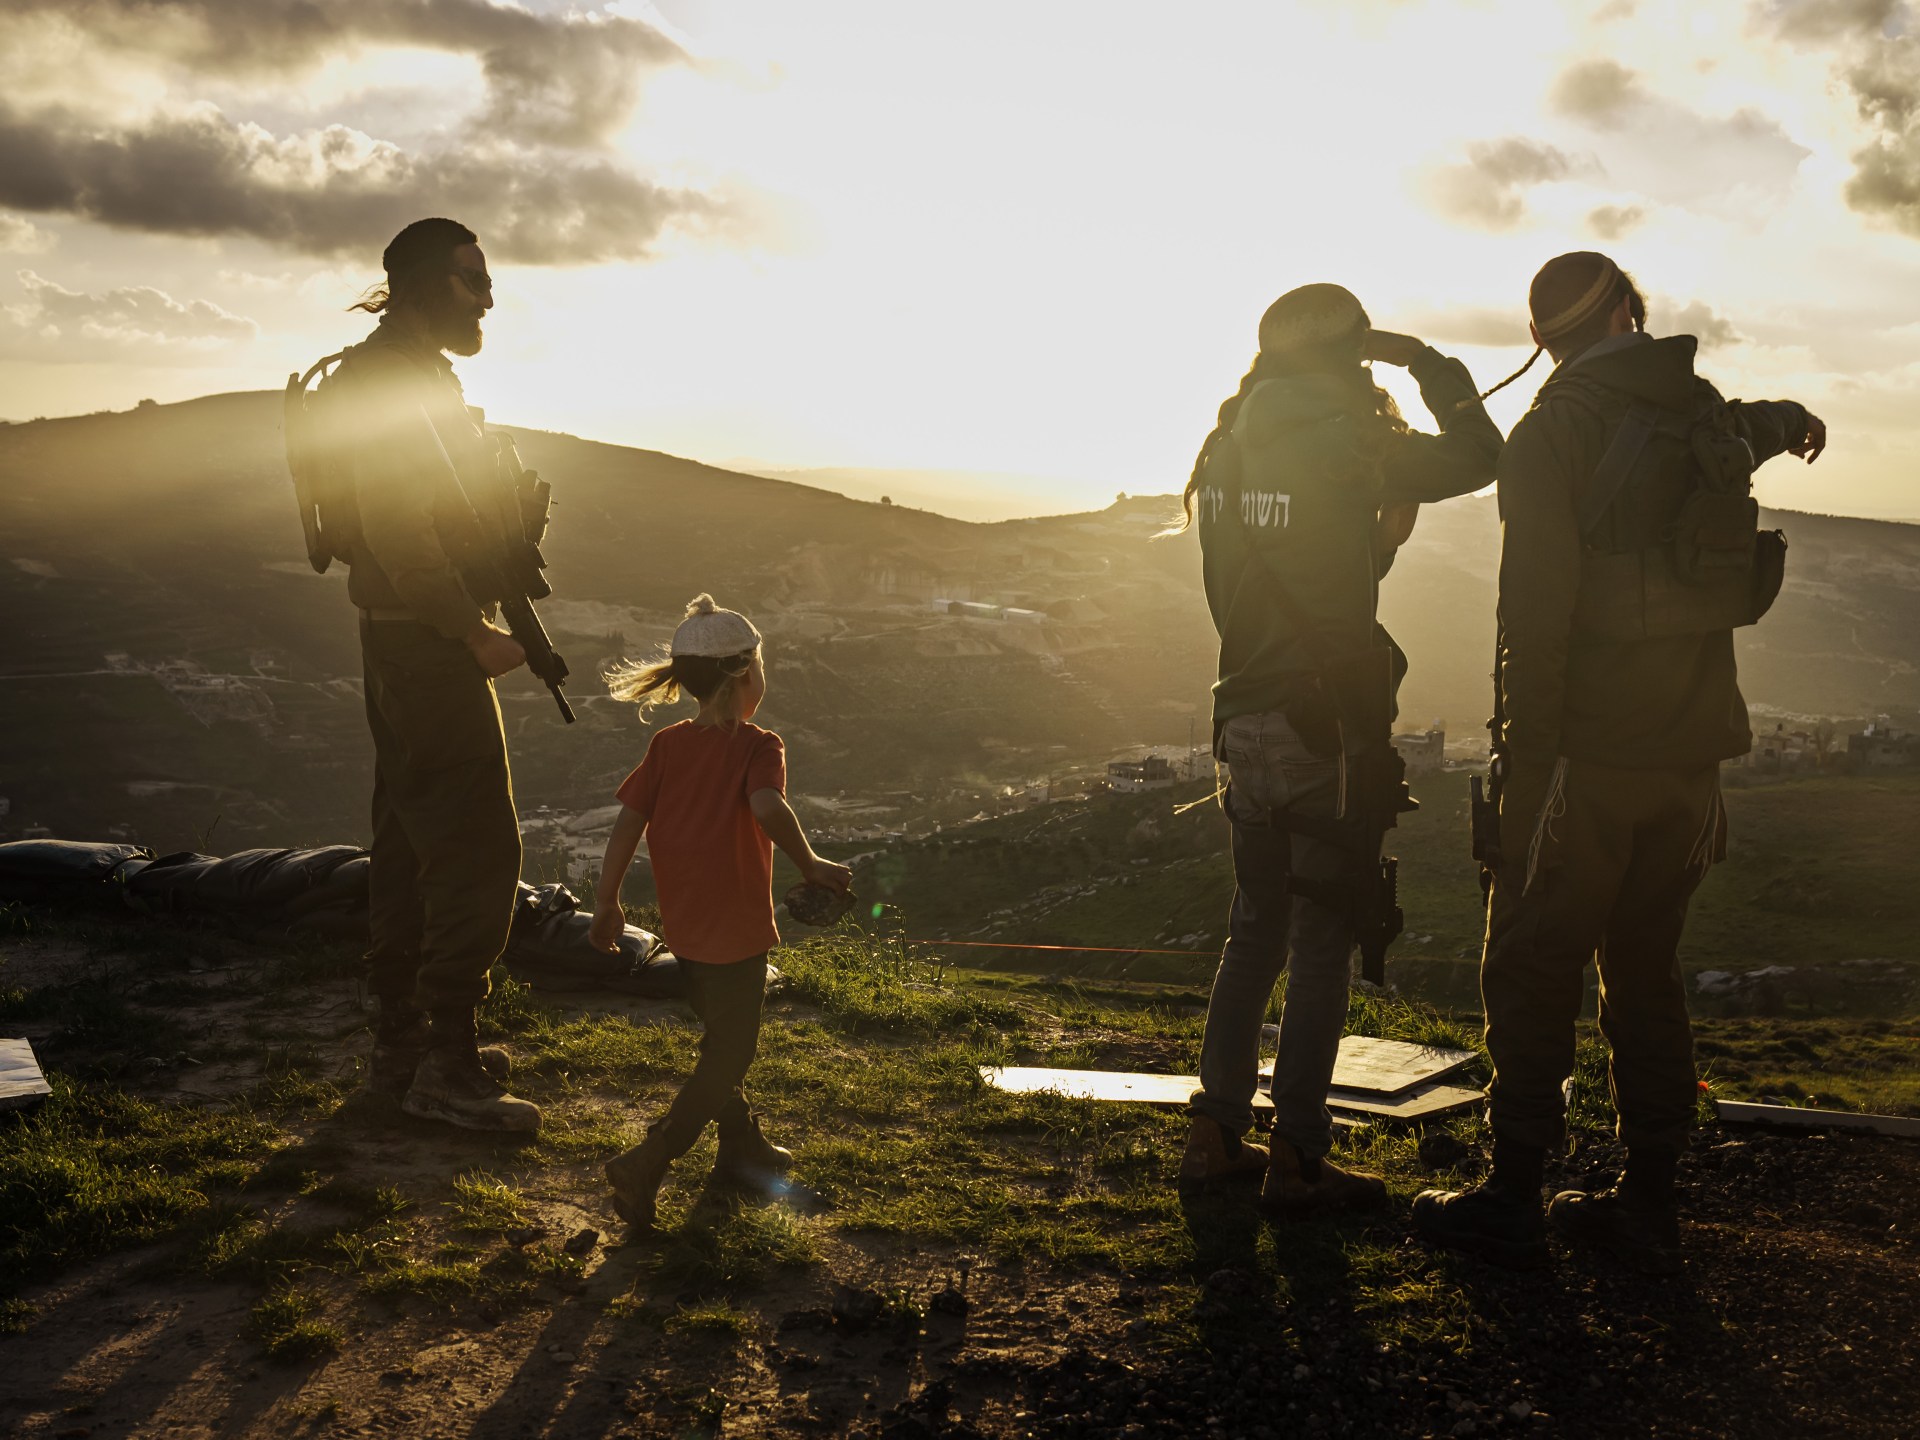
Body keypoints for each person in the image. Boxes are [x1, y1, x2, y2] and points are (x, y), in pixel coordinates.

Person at [1413, 252, 1826, 1273]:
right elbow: (1766, 422)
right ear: (1632, 311)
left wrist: (1523, 765)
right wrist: (1799, 414)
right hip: (1693, 764)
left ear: (1543, 335)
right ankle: (1648, 1200)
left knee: (1530, 965)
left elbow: (1532, 618)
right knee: (1645, 971)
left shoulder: (1552, 434)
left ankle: (1513, 1192)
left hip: (1586, 761)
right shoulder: (1706, 413)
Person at [1177, 284, 1504, 1210]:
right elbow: (1484, 456)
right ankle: (1301, 1159)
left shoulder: (1227, 452)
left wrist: (1373, 548)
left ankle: (1215, 1134)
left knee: (1254, 934)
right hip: (1327, 729)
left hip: (1241, 716)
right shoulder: (1354, 444)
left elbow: (1266, 590)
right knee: (1321, 942)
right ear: (1352, 361)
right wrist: (1429, 364)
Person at [333, 217, 541, 1132]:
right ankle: (444, 1069)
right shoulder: (388, 384)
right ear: (421, 285)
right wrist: (474, 633)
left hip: (406, 639)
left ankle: (406, 1045)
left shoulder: (408, 376)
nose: (487, 295)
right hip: (427, 641)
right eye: (469, 279)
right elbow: (400, 536)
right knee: (475, 846)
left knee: (410, 841)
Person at [590, 595, 852, 1228]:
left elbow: (629, 822)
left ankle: (741, 1148)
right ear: (746, 676)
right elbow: (766, 808)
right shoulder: (759, 745)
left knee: (720, 1043)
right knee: (730, 1055)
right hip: (735, 928)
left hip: (683, 923)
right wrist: (812, 864)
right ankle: (648, 1159)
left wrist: (606, 901)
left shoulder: (668, 744)